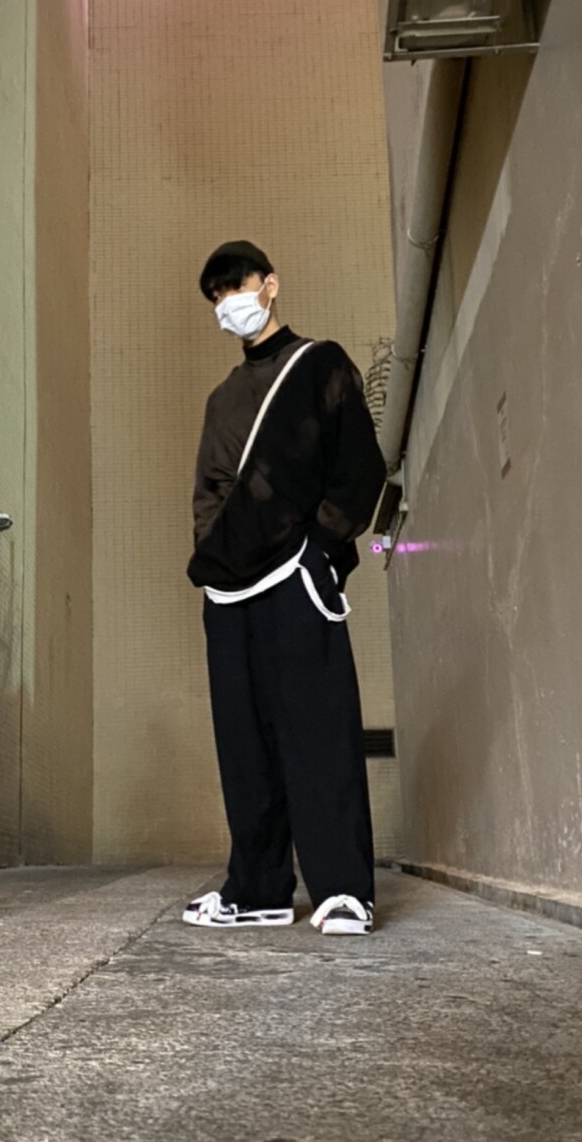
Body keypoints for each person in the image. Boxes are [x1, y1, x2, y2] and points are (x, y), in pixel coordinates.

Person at [182, 240, 387, 937]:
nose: (227, 304)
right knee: (244, 743)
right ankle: (259, 889)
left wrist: (319, 552)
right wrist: (212, 558)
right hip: (227, 589)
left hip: (296, 572)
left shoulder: (319, 364)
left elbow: (359, 466)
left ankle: (343, 890)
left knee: (318, 730)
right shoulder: (221, 400)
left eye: (235, 287)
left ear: (270, 284)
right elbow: (209, 491)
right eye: (216, 297)